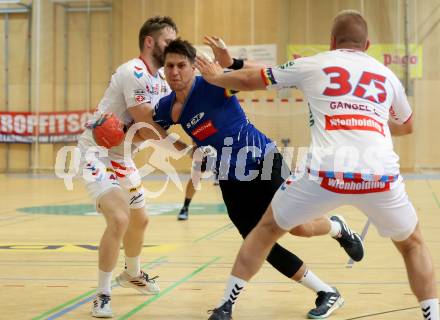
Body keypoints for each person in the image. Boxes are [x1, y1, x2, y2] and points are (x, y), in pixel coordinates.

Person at [195, 10, 439, 320]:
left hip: (325, 174)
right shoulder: (387, 75)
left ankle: (226, 306)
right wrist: (368, 119)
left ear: (332, 41)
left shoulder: (315, 63)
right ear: (368, 45)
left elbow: (252, 79)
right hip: (380, 175)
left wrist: (217, 77)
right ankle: (433, 316)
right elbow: (406, 126)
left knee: (264, 231)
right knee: (413, 244)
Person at [153, 38, 365, 319]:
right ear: (164, 70)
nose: (175, 71)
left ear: (194, 66)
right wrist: (183, 148)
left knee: (298, 227)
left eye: (182, 65)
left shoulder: (215, 83)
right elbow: (147, 126)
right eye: (170, 66)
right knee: (258, 243)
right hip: (229, 178)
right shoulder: (169, 107)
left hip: (264, 161)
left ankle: (337, 227)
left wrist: (230, 64)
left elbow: (262, 73)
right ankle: (325, 292)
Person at [77, 16, 188, 318]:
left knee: (141, 221)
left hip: (121, 158)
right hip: (96, 155)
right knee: (120, 218)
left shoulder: (164, 80)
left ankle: (132, 274)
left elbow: (156, 124)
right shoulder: (133, 72)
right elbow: (146, 127)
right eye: (167, 41)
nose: (172, 47)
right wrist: (186, 149)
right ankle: (102, 294)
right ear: (150, 42)